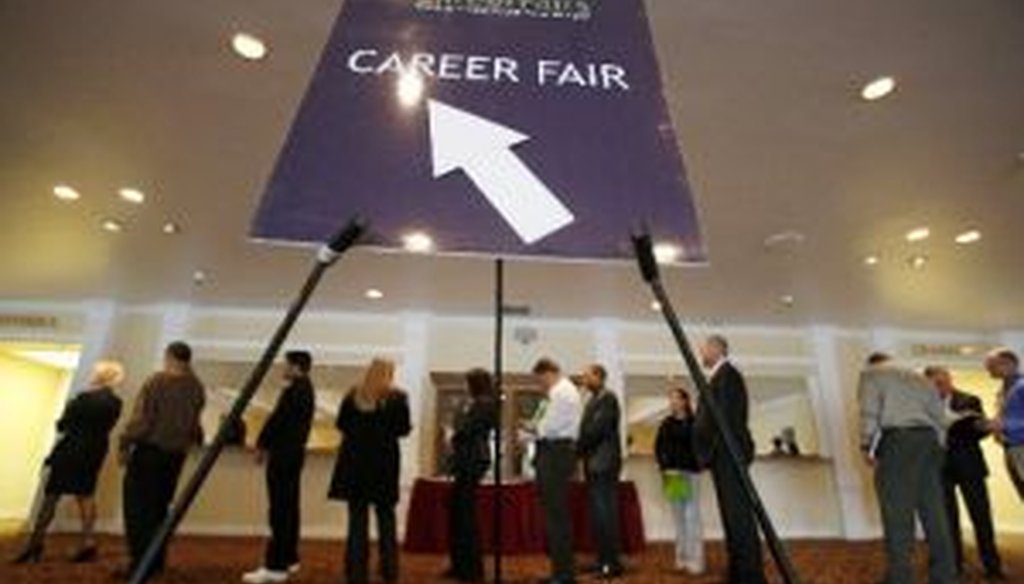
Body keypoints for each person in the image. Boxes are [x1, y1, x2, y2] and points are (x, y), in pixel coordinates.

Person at [11, 360, 124, 564]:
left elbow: (62, 426)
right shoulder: (116, 403)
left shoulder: (81, 399)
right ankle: (88, 542)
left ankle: (35, 545)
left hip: (70, 450)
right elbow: (106, 427)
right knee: (86, 496)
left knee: (51, 496)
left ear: (100, 376)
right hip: (94, 451)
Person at [858, 352, 956, 584]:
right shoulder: (921, 378)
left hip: (899, 442)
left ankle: (900, 577)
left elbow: (869, 413)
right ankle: (945, 575)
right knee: (934, 513)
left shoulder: (871, 374)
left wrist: (866, 446)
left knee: (897, 514)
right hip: (929, 442)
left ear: (871, 363)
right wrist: (939, 449)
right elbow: (940, 418)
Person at [119, 341, 206, 582]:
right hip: (175, 458)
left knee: (138, 510)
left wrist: (125, 442)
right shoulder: (197, 387)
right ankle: (156, 561)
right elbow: (195, 424)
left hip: (149, 453)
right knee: (160, 510)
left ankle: (139, 564)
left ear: (169, 357)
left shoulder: (157, 381)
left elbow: (142, 419)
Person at [328, 358, 411, 584]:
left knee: (357, 521)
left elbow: (341, 425)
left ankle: (356, 572)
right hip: (383, 466)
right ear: (389, 374)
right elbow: (403, 430)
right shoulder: (397, 398)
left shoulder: (352, 395)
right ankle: (389, 571)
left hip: (354, 465)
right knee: (386, 519)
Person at [693, 335, 765, 584]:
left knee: (739, 517)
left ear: (717, 349)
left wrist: (707, 451)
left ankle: (750, 576)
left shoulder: (729, 375)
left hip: (729, 454)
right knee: (731, 517)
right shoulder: (718, 376)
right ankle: (738, 571)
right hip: (721, 456)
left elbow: (722, 419)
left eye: (703, 348)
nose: (700, 353)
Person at [924, 365, 1005, 580]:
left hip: (970, 466)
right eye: (934, 385)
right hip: (939, 468)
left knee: (981, 517)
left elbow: (982, 432)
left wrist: (966, 427)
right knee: (947, 520)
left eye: (943, 382)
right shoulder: (923, 405)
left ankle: (992, 566)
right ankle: (954, 566)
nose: (939, 388)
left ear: (950, 380)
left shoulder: (970, 400)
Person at [243, 351, 317, 584]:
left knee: (280, 510)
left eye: (286, 364)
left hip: (284, 456)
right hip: (293, 455)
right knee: (289, 507)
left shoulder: (294, 390)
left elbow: (277, 419)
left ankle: (275, 567)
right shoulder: (306, 388)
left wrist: (262, 444)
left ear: (296, 367)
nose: (282, 368)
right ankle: (290, 558)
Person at [531, 357, 582, 584]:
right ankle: (561, 572)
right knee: (556, 516)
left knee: (557, 518)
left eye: (541, 380)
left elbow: (547, 427)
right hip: (557, 453)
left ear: (548, 373)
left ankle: (563, 575)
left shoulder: (561, 392)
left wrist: (535, 428)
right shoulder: (563, 390)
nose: (541, 384)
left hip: (556, 454)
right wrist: (538, 428)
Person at [444, 368, 496, 583]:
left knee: (465, 516)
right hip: (466, 460)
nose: (465, 386)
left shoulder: (484, 403)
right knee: (458, 514)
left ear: (475, 384)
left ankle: (471, 570)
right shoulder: (477, 403)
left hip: (471, 461)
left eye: (468, 382)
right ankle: (459, 564)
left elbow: (465, 429)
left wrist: (453, 431)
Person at [576, 363, 624, 579]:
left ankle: (611, 564)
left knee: (606, 515)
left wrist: (575, 450)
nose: (584, 380)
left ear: (599, 377)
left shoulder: (608, 398)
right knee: (598, 516)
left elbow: (596, 430)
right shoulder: (594, 399)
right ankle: (602, 560)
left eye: (587, 376)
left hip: (604, 463)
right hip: (594, 462)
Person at [654, 386, 705, 576]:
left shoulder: (695, 422)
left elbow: (701, 446)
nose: (673, 402)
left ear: (685, 401)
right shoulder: (666, 423)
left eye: (676, 398)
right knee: (679, 519)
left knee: (692, 518)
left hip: (691, 473)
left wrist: (701, 463)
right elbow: (658, 448)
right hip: (673, 475)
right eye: (671, 398)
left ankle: (696, 561)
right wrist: (664, 467)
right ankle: (681, 558)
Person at [985, 348, 1024, 500]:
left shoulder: (1021, 387)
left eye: (992, 367)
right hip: (1011, 450)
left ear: (1009, 364)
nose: (989, 372)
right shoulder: (1003, 391)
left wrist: (1005, 425)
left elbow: (1009, 422)